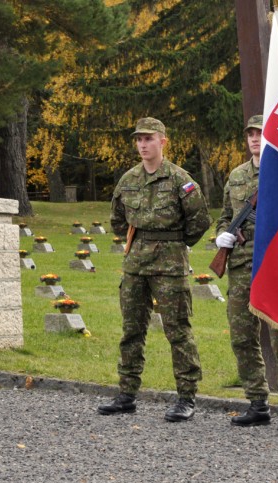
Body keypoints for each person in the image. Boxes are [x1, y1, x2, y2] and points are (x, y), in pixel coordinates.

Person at [98, 117, 211, 421]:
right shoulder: (128, 180)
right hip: (136, 264)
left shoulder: (179, 179)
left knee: (178, 330)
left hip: (170, 264)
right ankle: (126, 393)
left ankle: (186, 396)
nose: (143, 144)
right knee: (131, 330)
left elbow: (199, 221)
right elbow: (118, 220)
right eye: (139, 139)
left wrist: (173, 242)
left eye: (149, 138)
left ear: (163, 141)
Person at [215, 114, 278, 432]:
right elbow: (225, 216)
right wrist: (222, 236)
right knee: (242, 337)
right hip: (242, 267)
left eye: (261, 133)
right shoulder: (237, 175)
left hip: (275, 267)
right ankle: (257, 402)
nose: (255, 139)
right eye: (251, 134)